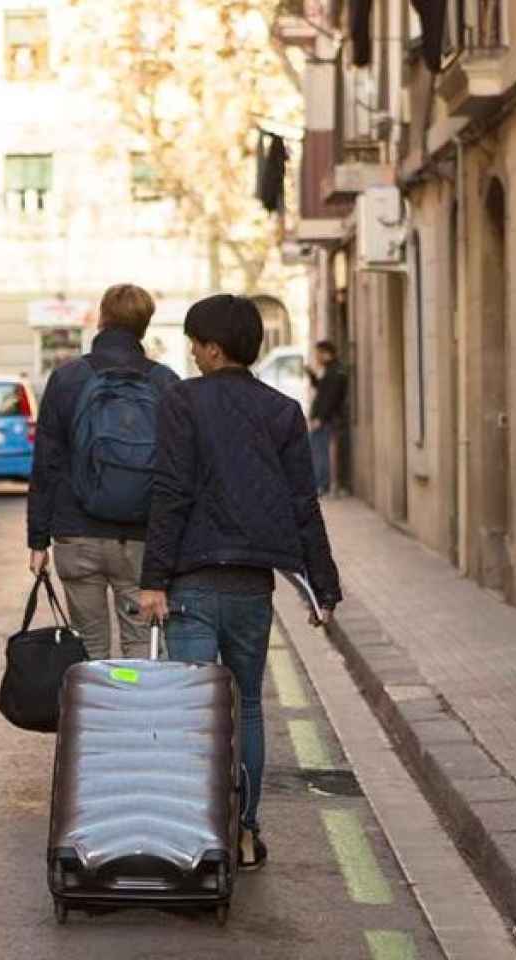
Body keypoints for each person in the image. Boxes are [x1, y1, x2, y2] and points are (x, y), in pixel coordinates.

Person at [137, 294, 343, 872]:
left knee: (195, 712)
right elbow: (304, 505)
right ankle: (245, 833)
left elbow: (170, 492)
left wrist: (153, 579)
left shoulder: (182, 401)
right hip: (253, 587)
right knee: (247, 707)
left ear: (213, 347)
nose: (193, 355)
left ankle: (198, 838)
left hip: (193, 584)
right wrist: (322, 587)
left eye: (196, 344)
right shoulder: (281, 411)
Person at [28, 284, 181, 659]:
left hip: (76, 535)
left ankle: (95, 718)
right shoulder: (165, 383)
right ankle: (136, 717)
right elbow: (179, 473)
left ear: (101, 319)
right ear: (144, 327)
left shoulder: (67, 379)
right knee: (139, 647)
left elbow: (46, 463)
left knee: (90, 649)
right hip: (141, 542)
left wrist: (37, 541)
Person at [307, 340, 347, 496]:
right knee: (318, 450)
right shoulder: (330, 370)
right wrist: (312, 375)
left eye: (318, 354)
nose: (316, 357)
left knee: (320, 451)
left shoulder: (335, 372)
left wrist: (320, 419)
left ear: (325, 353)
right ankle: (323, 484)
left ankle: (322, 485)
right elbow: (322, 390)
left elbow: (330, 398)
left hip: (326, 420)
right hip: (324, 419)